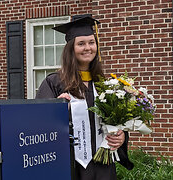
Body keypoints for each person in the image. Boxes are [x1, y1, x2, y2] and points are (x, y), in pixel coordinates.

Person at [36, 14, 133, 180]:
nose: (88, 48)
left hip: (104, 165)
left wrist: (121, 136)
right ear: (71, 48)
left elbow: (115, 122)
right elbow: (38, 125)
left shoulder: (105, 84)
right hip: (70, 165)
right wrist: (57, 110)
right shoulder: (54, 82)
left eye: (91, 42)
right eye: (81, 43)